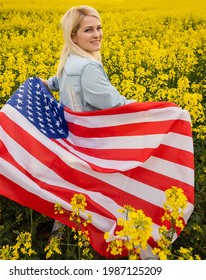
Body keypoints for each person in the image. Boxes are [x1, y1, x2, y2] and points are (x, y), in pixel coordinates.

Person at [40, 5, 133, 239]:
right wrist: (148, 109)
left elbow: (59, 80)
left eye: (99, 28)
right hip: (94, 142)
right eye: (89, 30)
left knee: (74, 187)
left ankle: (58, 237)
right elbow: (114, 105)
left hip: (72, 138)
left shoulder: (69, 61)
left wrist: (45, 84)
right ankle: (118, 233)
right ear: (74, 36)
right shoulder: (88, 66)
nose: (97, 34)